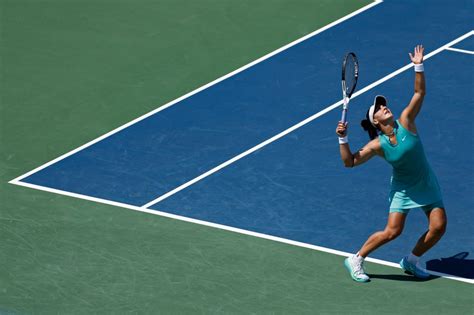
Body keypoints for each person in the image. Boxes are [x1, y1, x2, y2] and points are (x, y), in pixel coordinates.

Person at [336, 45, 447, 282]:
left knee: (439, 226)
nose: (384, 107)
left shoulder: (406, 121)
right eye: (378, 108)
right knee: (393, 231)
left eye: (383, 104)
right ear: (375, 121)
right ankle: (356, 258)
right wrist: (342, 138)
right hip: (403, 188)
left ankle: (411, 260)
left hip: (426, 182)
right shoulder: (378, 145)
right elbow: (350, 162)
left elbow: (419, 93)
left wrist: (418, 65)